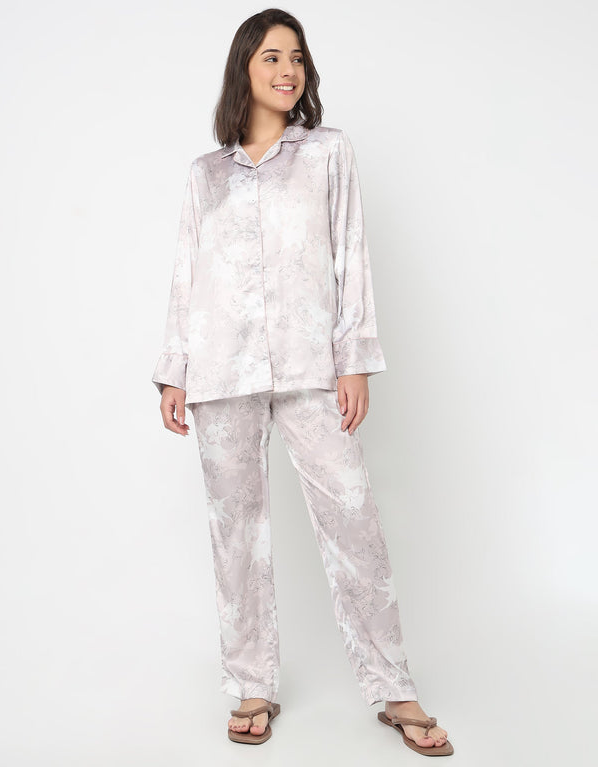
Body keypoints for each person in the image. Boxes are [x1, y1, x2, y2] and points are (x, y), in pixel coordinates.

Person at [150, 8, 453, 756]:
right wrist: (174, 372)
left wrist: (353, 358)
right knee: (235, 534)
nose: (288, 70)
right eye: (271, 57)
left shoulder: (326, 154)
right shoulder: (205, 175)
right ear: (244, 70)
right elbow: (187, 278)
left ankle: (394, 687)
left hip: (311, 363)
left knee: (353, 519)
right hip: (220, 368)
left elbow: (351, 253)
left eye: (296, 57)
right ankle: (251, 683)